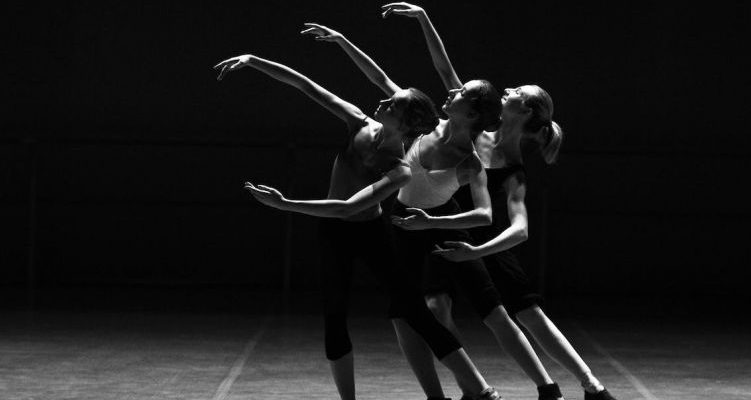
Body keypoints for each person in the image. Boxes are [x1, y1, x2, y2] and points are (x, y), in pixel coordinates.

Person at [215, 44, 501, 400]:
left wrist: (285, 203)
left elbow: (347, 208)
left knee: (414, 310)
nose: (381, 103)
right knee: (335, 317)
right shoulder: (358, 121)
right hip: (334, 234)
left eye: (392, 105)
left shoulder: (398, 170)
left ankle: (482, 391)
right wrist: (254, 61)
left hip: (369, 233)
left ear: (406, 122)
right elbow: (308, 86)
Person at [382, 3, 616, 400]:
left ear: (523, 110)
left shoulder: (512, 167)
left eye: (514, 92)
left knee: (525, 314)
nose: (505, 91)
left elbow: (520, 230)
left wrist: (479, 248)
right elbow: (444, 68)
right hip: (449, 226)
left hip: (485, 238)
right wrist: (424, 18)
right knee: (437, 306)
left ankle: (585, 385)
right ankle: (473, 387)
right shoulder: (474, 132)